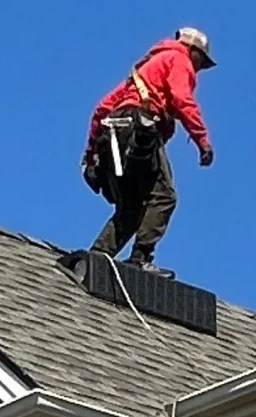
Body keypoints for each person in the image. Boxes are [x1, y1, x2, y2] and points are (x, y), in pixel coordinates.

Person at [81, 27, 216, 279]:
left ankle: (98, 257)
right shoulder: (179, 59)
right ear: (193, 50)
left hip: (112, 135)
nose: (198, 69)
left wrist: (91, 157)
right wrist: (203, 141)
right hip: (138, 129)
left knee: (132, 206)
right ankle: (140, 258)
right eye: (201, 62)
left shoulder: (144, 70)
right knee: (164, 196)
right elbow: (181, 99)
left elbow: (102, 109)